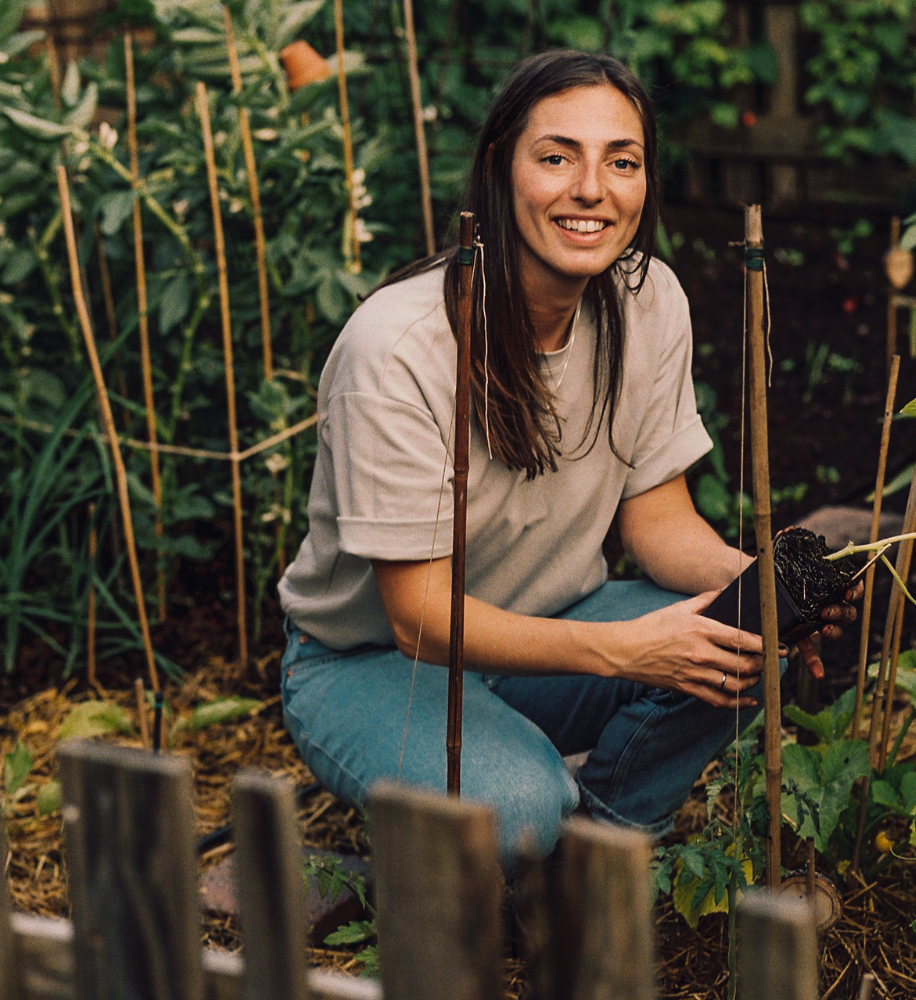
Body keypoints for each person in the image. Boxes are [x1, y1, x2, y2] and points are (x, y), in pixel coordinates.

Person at [277, 49, 858, 864]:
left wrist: (761, 591)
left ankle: (600, 857)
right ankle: (529, 828)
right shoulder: (400, 348)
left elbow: (658, 523)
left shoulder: (647, 299)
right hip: (375, 666)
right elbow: (417, 617)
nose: (593, 189)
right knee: (518, 808)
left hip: (549, 633)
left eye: (622, 162)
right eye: (557, 157)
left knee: (739, 641)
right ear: (498, 169)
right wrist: (626, 649)